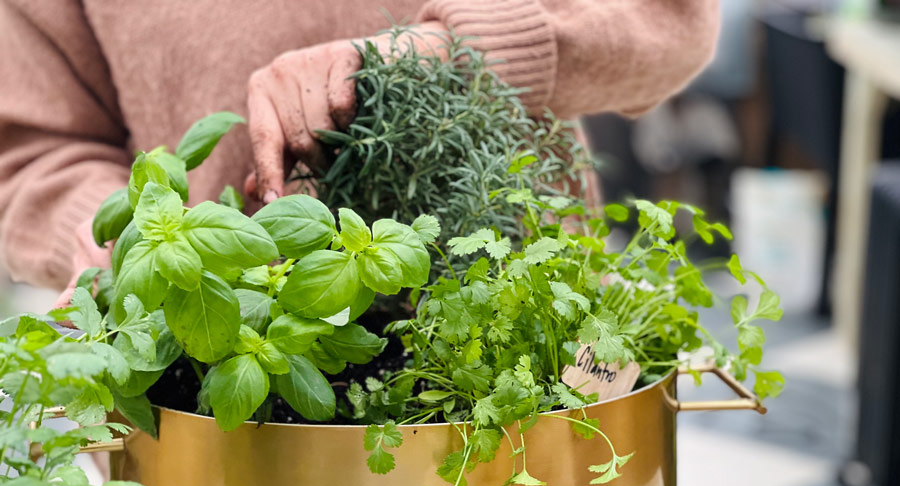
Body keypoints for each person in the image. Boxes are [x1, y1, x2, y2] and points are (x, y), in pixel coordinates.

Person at [0, 0, 720, 306]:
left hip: (529, 349)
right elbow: (33, 149)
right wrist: (113, 233)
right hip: (211, 366)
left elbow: (670, 18)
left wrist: (446, 57)